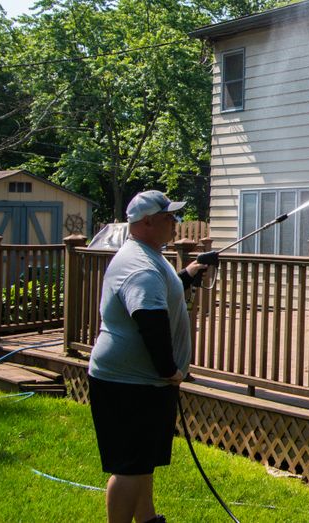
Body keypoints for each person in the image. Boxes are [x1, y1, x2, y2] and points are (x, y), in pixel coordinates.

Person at [88, 190, 206, 523]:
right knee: (128, 467)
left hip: (136, 380)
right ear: (148, 222)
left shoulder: (147, 255)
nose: (175, 223)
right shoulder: (141, 266)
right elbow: (150, 323)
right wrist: (169, 370)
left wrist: (192, 270)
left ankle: (148, 519)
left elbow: (163, 292)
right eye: (170, 217)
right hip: (129, 383)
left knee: (142, 461)